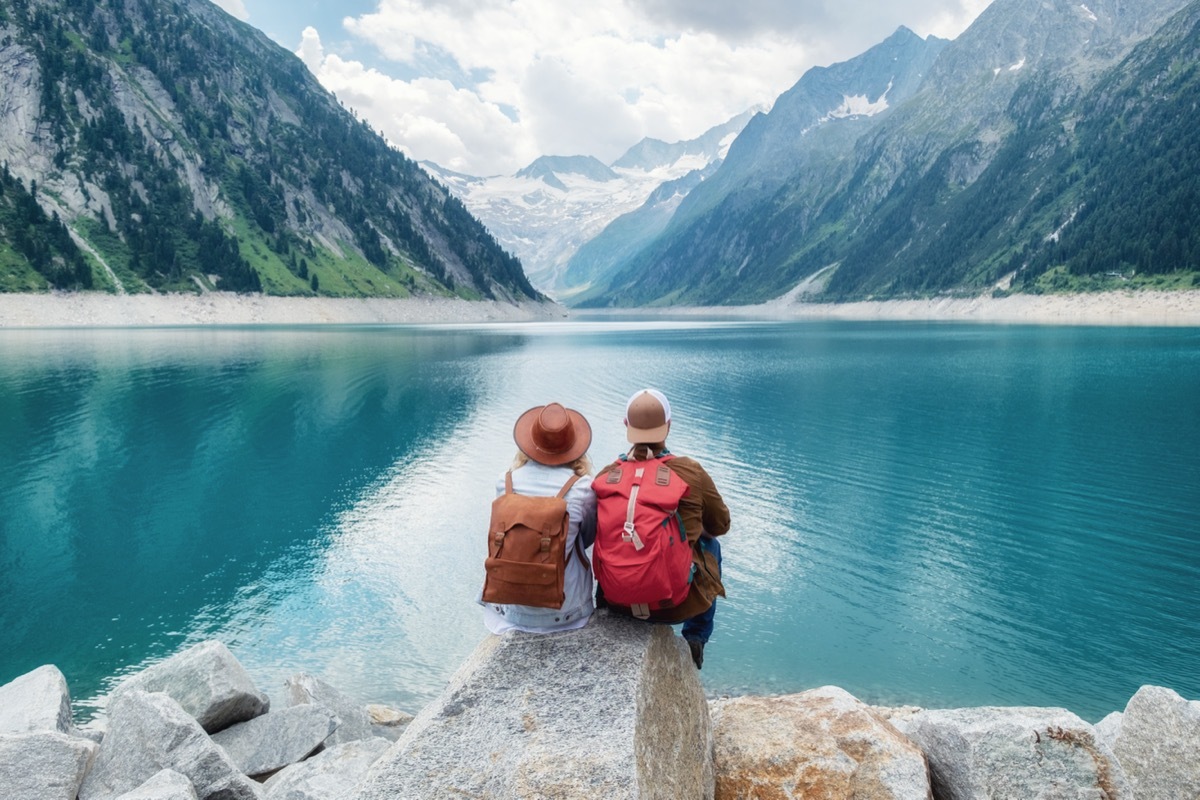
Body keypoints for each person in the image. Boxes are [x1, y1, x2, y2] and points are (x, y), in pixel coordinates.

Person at [595, 388, 730, 668]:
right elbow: (721, 525)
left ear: (625, 426)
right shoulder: (690, 471)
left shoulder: (607, 476)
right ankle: (695, 637)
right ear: (668, 426)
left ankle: (604, 611)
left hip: (618, 602)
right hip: (675, 604)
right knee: (712, 545)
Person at [480, 402, 597, 634]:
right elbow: (588, 537)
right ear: (573, 447)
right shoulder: (583, 487)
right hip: (566, 612)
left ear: (530, 444)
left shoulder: (506, 482)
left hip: (509, 610)